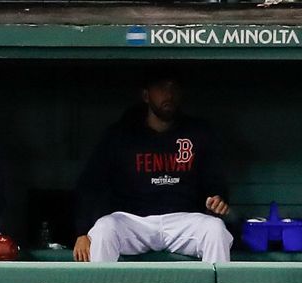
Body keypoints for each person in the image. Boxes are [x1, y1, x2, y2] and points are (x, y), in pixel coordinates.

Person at [74, 68, 232, 263]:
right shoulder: (121, 134)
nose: (169, 95)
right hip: (134, 221)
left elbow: (215, 181)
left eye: (173, 88)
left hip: (183, 220)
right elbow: (90, 184)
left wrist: (218, 198)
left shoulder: (198, 132)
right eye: (161, 88)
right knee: (104, 229)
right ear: (146, 95)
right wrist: (82, 232)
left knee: (215, 230)